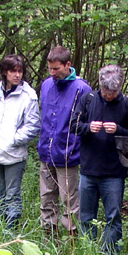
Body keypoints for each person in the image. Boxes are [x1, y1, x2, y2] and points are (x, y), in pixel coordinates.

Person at [71, 64, 128, 255]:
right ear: (100, 85)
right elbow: (73, 126)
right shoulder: (88, 99)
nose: (108, 95)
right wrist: (88, 127)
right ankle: (88, 254)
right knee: (86, 216)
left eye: (113, 92)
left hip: (114, 172)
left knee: (113, 216)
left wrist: (118, 130)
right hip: (88, 170)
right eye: (106, 90)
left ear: (120, 87)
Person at [0, 54, 40, 229]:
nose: (17, 75)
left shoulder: (28, 96)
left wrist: (13, 140)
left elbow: (33, 125)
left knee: (12, 194)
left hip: (13, 154)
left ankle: (11, 231)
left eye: (20, 71)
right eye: (13, 71)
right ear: (5, 72)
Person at [37, 46, 92, 236]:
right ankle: (49, 237)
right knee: (46, 197)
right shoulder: (46, 85)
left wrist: (74, 147)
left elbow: (86, 124)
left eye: (57, 69)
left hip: (68, 154)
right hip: (46, 152)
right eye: (50, 69)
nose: (53, 73)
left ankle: (72, 239)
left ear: (68, 65)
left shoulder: (82, 89)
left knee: (69, 200)